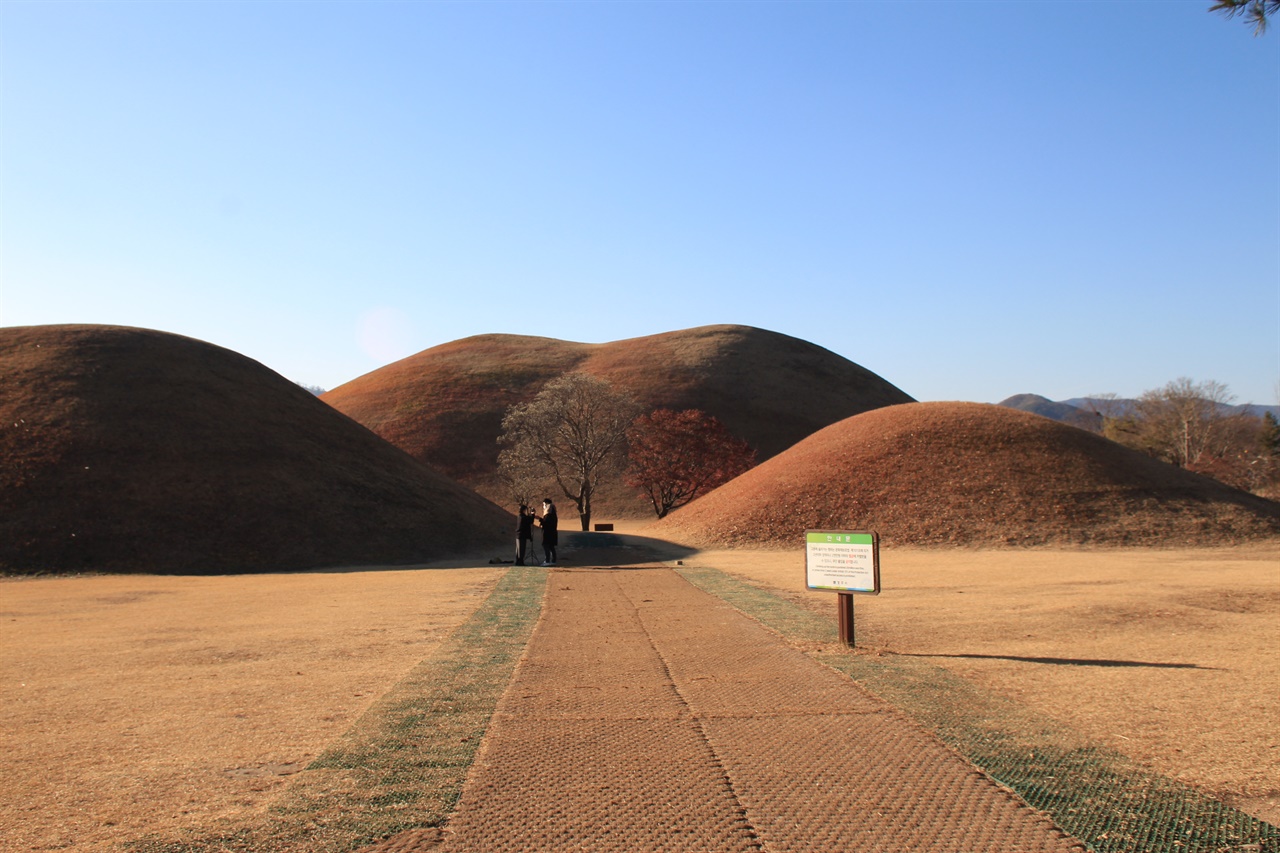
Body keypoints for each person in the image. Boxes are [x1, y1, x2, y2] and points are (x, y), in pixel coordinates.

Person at [538, 498, 558, 566]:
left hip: (547, 533)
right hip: (552, 533)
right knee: (551, 547)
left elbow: (546, 523)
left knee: (546, 545)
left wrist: (540, 519)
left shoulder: (548, 515)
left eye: (544, 504)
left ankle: (547, 561)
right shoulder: (553, 514)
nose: (543, 506)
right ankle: (553, 560)